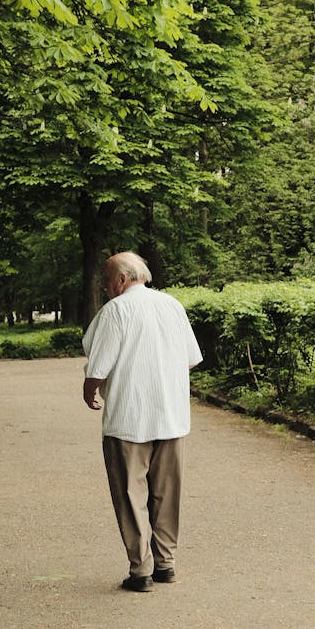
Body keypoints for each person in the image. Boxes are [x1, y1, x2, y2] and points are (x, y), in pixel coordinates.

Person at [82, 251, 203, 593]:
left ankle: (141, 571)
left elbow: (98, 366)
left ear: (121, 279)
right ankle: (166, 564)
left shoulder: (115, 311)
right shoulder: (173, 306)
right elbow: (191, 360)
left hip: (128, 418)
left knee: (130, 494)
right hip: (171, 415)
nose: (106, 288)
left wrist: (89, 389)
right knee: (167, 492)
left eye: (106, 281)